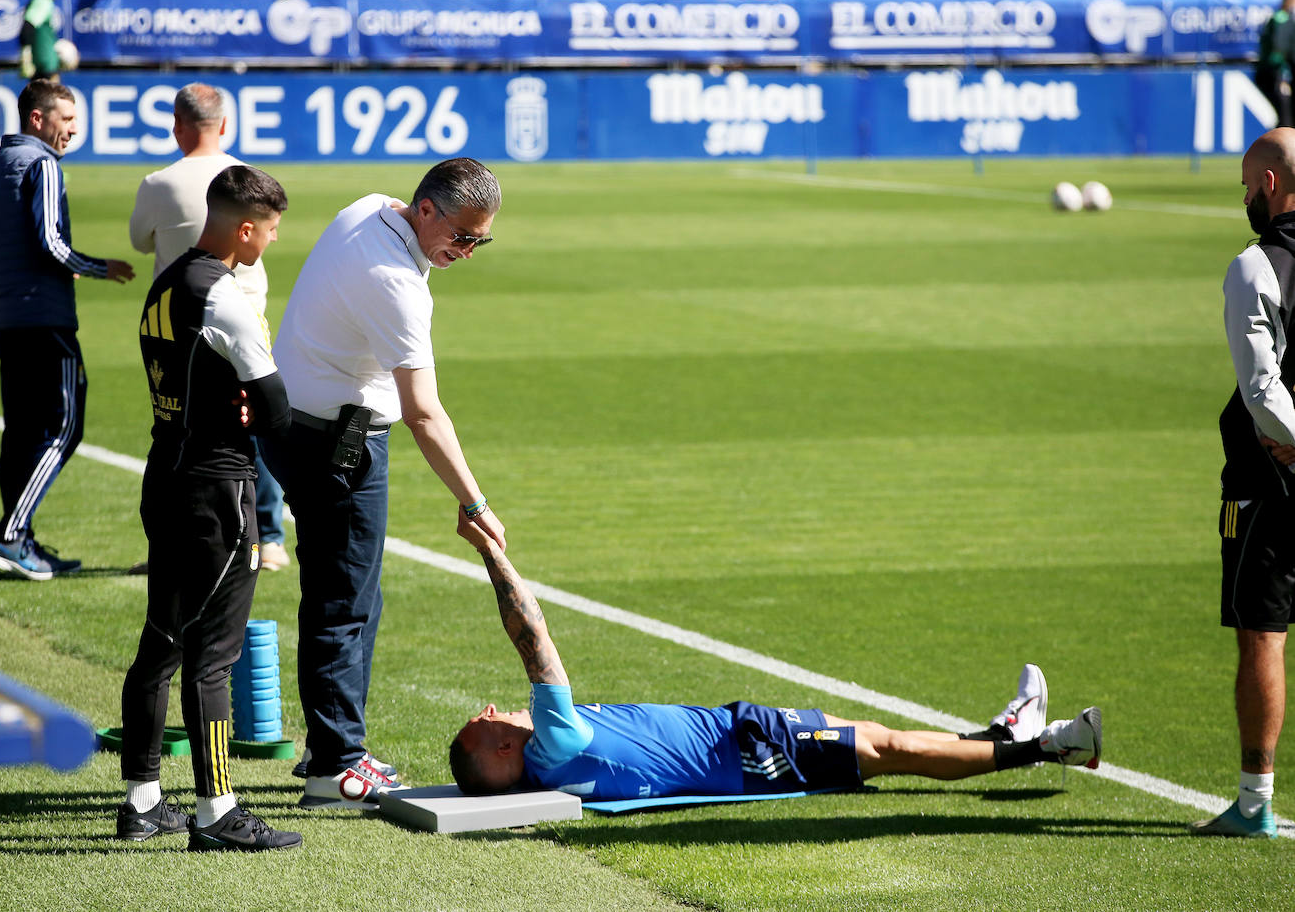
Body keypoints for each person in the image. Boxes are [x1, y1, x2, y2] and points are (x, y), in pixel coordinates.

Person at [448, 521, 1103, 801]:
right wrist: (491, 552)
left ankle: (1001, 735)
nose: (489, 710)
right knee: (892, 748)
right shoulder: (552, 749)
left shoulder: (543, 767)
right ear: (501, 750)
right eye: (485, 725)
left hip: (743, 734)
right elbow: (531, 637)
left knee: (875, 738)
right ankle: (1045, 747)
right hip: (754, 751)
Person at [260, 157, 506, 810]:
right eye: (462, 236)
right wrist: (473, 500)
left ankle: (328, 745)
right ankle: (337, 767)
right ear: (424, 210)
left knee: (346, 595)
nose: (468, 251)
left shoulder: (371, 206)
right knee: (344, 603)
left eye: (481, 239)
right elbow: (424, 411)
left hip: (300, 428)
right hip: (338, 448)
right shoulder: (395, 282)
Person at [117, 165, 300, 852]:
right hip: (217, 493)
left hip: (165, 472)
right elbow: (275, 404)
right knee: (213, 658)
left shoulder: (169, 279)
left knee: (159, 645)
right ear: (245, 227)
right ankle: (216, 812)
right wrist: (258, 412)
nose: (272, 243)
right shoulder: (222, 294)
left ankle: (141, 801)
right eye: (272, 231)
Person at [0, 78, 135, 581]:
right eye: (66, 120)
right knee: (65, 427)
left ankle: (22, 539)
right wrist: (100, 267)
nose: (73, 130)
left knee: (21, 432)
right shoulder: (40, 164)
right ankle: (12, 534)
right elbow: (51, 243)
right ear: (37, 120)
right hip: (46, 320)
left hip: (6, 319)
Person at [128, 82, 289, 574]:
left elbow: (138, 241)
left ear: (177, 126)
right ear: (224, 125)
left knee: (181, 423)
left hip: (179, 317)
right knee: (251, 416)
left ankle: (182, 544)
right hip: (244, 311)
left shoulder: (160, 183)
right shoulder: (247, 178)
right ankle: (270, 535)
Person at [1192, 127, 1295, 839]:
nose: (1243, 198)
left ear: (1267, 185)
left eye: (1242, 184)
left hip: (1271, 486)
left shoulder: (1256, 267)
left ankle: (1255, 805)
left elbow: (1263, 392)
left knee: (1263, 636)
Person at [1254, 0, 1295, 128]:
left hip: (1273, 72)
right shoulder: (1281, 18)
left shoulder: (1281, 18)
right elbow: (1279, 48)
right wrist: (1284, 75)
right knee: (1285, 115)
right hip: (1276, 73)